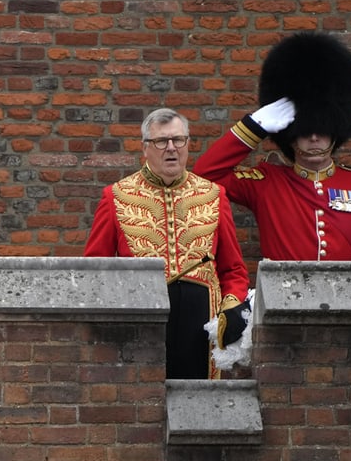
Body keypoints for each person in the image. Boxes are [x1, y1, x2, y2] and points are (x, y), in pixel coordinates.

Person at [193, 32, 351, 261]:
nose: (314, 137)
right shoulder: (267, 183)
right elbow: (204, 175)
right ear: (291, 136)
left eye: (323, 129)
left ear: (336, 130)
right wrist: (254, 127)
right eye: (304, 130)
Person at [84, 108, 250, 379]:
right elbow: (96, 271)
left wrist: (231, 305)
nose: (171, 148)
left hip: (201, 324)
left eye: (179, 140)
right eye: (161, 141)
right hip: (142, 319)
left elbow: (233, 270)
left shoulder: (214, 195)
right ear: (145, 148)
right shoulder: (115, 196)